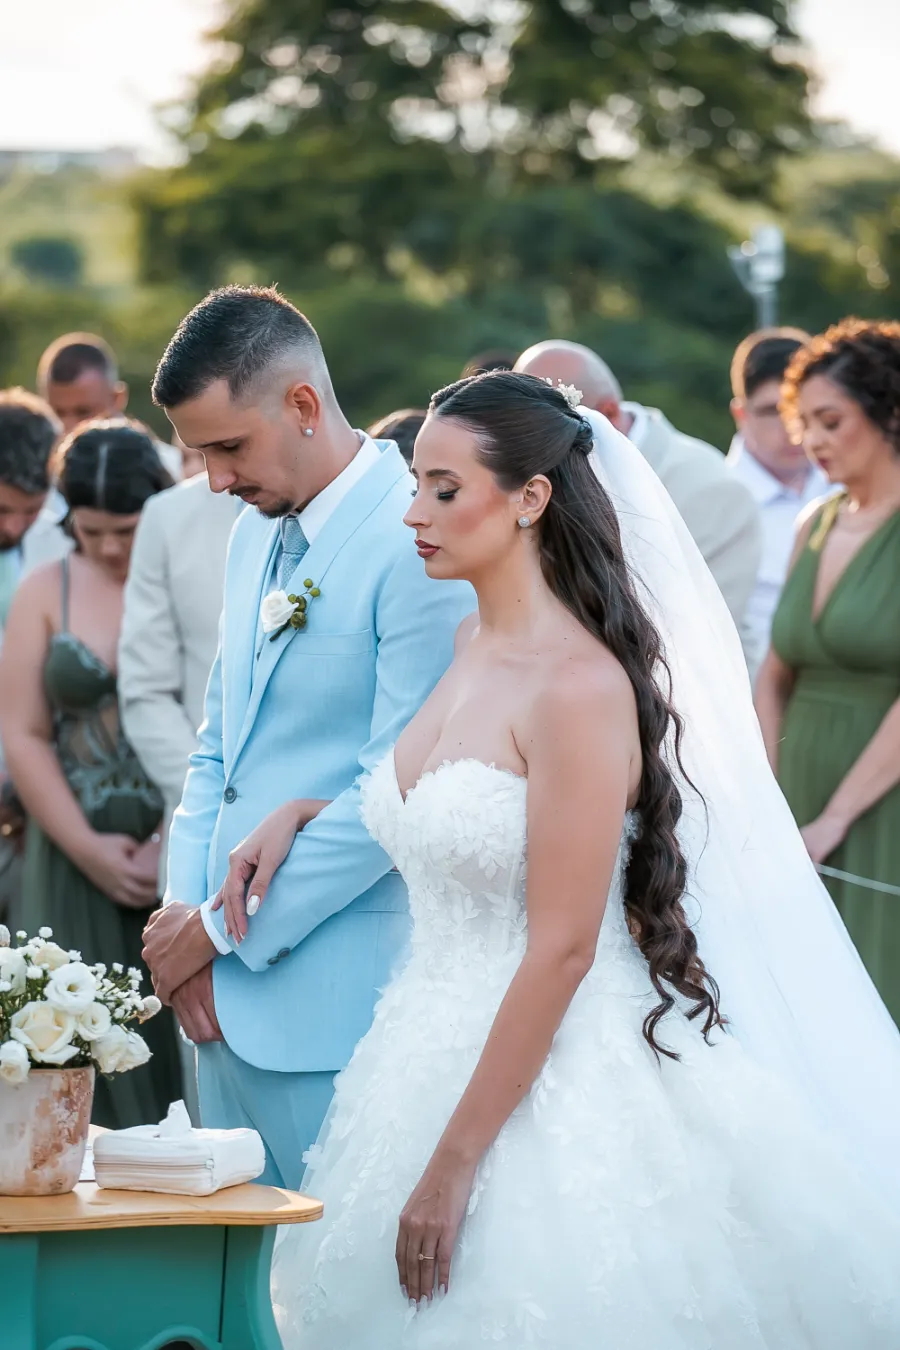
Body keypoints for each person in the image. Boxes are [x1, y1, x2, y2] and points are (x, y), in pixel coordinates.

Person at [214, 372, 900, 1345]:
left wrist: (455, 1167)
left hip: (554, 1082)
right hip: (417, 1051)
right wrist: (305, 810)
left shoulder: (579, 686)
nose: (415, 512)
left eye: (444, 489)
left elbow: (564, 946)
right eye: (416, 483)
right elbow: (464, 808)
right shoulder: (469, 640)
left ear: (531, 497)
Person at [139, 286, 473, 1188]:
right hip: (212, 1004)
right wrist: (180, 931)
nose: (214, 480)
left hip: (338, 1003)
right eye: (198, 454)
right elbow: (219, 750)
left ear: (302, 405)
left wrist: (216, 933)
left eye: (228, 448)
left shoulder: (421, 540)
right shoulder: (253, 532)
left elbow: (393, 790)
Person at [0, 419, 181, 1128]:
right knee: (69, 1059)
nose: (109, 547)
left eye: (127, 530)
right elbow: (24, 730)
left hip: (177, 847)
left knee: (167, 1054)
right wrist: (86, 848)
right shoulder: (47, 588)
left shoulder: (190, 579)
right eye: (91, 529)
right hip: (68, 852)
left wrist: (171, 837)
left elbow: (212, 717)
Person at [756, 318, 900, 1026]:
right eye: (802, 422)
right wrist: (768, 796)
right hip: (796, 792)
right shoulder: (812, 522)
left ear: (888, 413)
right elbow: (775, 672)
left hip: (881, 802)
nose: (810, 440)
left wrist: (837, 818)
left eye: (831, 420)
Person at [515, 340, 761, 663]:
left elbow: (691, 636)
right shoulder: (528, 480)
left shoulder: (710, 489)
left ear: (609, 413)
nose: (534, 444)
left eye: (547, 427)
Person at [727, 327, 833, 679]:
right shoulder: (718, 504)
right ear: (741, 415)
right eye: (773, 410)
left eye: (798, 411)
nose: (791, 429)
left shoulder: (851, 487)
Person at [0, 389, 60, 930]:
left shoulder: (64, 541)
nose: (14, 527)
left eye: (30, 511)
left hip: (37, 800)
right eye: (2, 510)